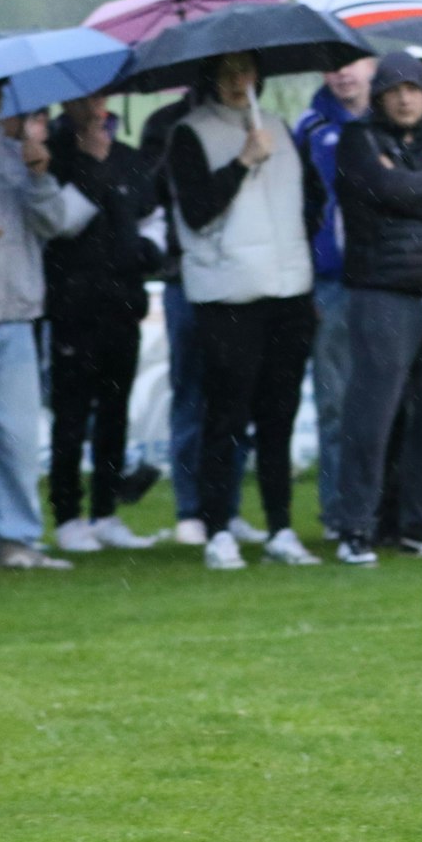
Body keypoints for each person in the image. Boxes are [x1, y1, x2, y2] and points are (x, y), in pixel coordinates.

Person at [166, 50, 325, 570]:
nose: (238, 81)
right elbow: (195, 211)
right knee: (226, 416)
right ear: (211, 76)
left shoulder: (278, 127)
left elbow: (312, 199)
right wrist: (242, 163)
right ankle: (218, 528)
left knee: (278, 416)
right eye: (228, 72)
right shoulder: (190, 133)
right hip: (227, 295)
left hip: (289, 290)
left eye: (246, 70)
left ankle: (280, 527)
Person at [330, 52, 422, 565]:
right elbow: (382, 187)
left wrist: (412, 188)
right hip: (382, 294)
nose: (405, 97)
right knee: (371, 418)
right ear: (380, 97)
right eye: (394, 89)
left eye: (414, 88)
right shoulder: (359, 140)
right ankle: (355, 529)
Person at [0, 85, 84, 571]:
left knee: (15, 438)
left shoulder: (20, 156)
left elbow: (57, 224)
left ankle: (16, 538)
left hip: (20, 313)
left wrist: (40, 175)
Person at [46, 95, 165, 552]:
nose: (95, 106)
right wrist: (92, 167)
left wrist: (148, 252)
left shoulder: (128, 158)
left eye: (101, 97)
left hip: (123, 305)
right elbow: (61, 224)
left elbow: (153, 216)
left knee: (114, 415)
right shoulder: (54, 157)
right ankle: (68, 515)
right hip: (73, 309)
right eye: (85, 99)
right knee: (71, 416)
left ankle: (105, 511)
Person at [144, 90, 258, 549]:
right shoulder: (166, 124)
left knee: (236, 400)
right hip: (185, 275)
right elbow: (154, 192)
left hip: (241, 274)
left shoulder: (248, 120)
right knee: (192, 394)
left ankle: (225, 508)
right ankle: (193, 508)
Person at [295, 54, 377, 537]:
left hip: (388, 280)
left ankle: (386, 506)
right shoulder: (310, 128)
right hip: (331, 282)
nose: (342, 73)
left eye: (351, 62)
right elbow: (300, 208)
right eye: (331, 65)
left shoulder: (389, 121)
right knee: (335, 403)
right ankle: (337, 511)